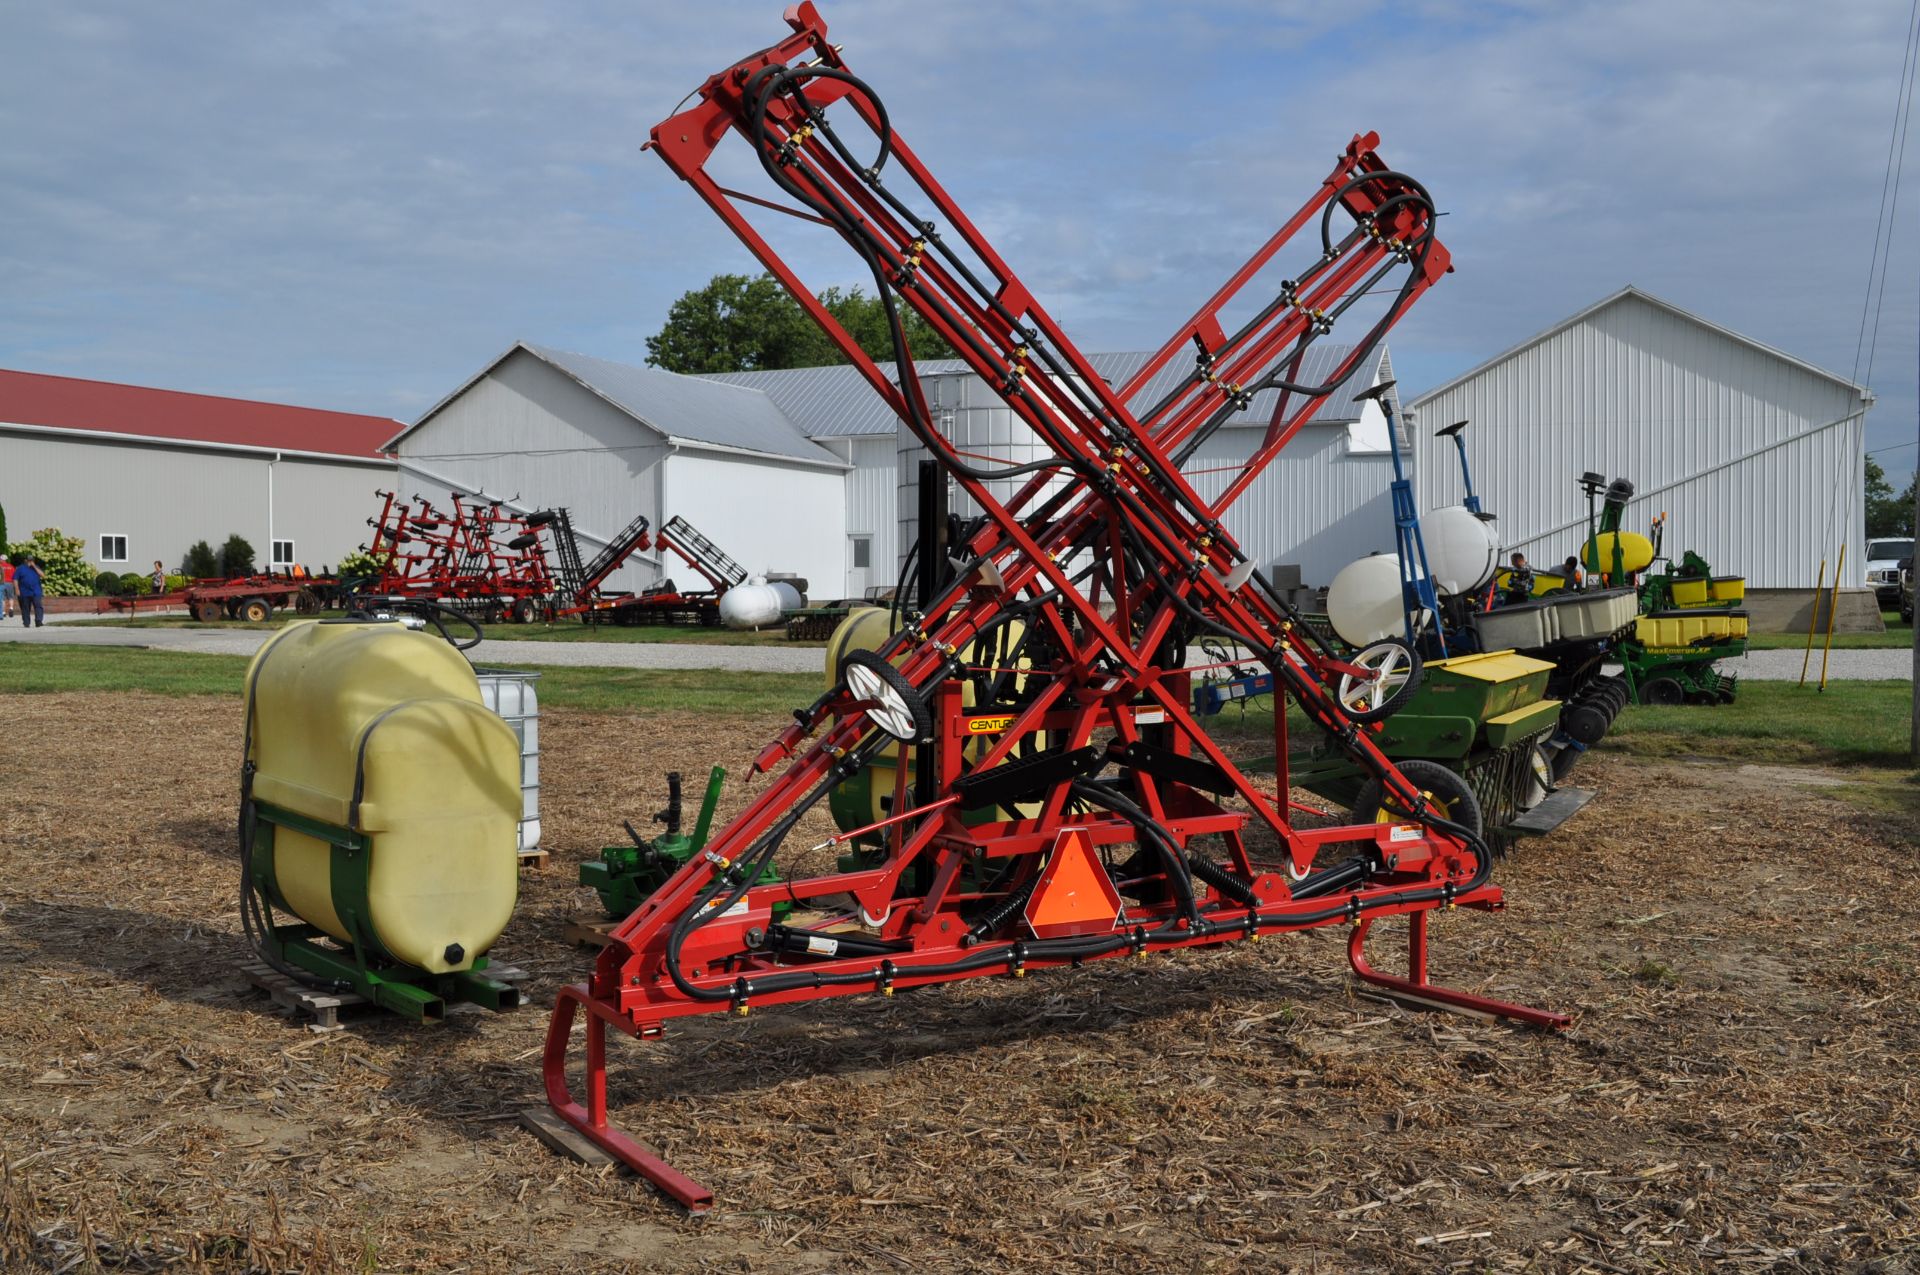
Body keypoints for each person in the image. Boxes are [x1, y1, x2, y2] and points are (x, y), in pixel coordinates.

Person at [15, 555, 45, 628]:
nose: (30, 562)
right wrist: (17, 589)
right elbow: (15, 579)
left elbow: (42, 575)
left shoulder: (36, 567)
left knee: (38, 606)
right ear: (25, 560)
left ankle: (38, 621)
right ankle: (26, 622)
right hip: (24, 592)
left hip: (36, 591)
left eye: (31, 560)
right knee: (25, 607)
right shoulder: (20, 568)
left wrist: (34, 566)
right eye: (29, 560)